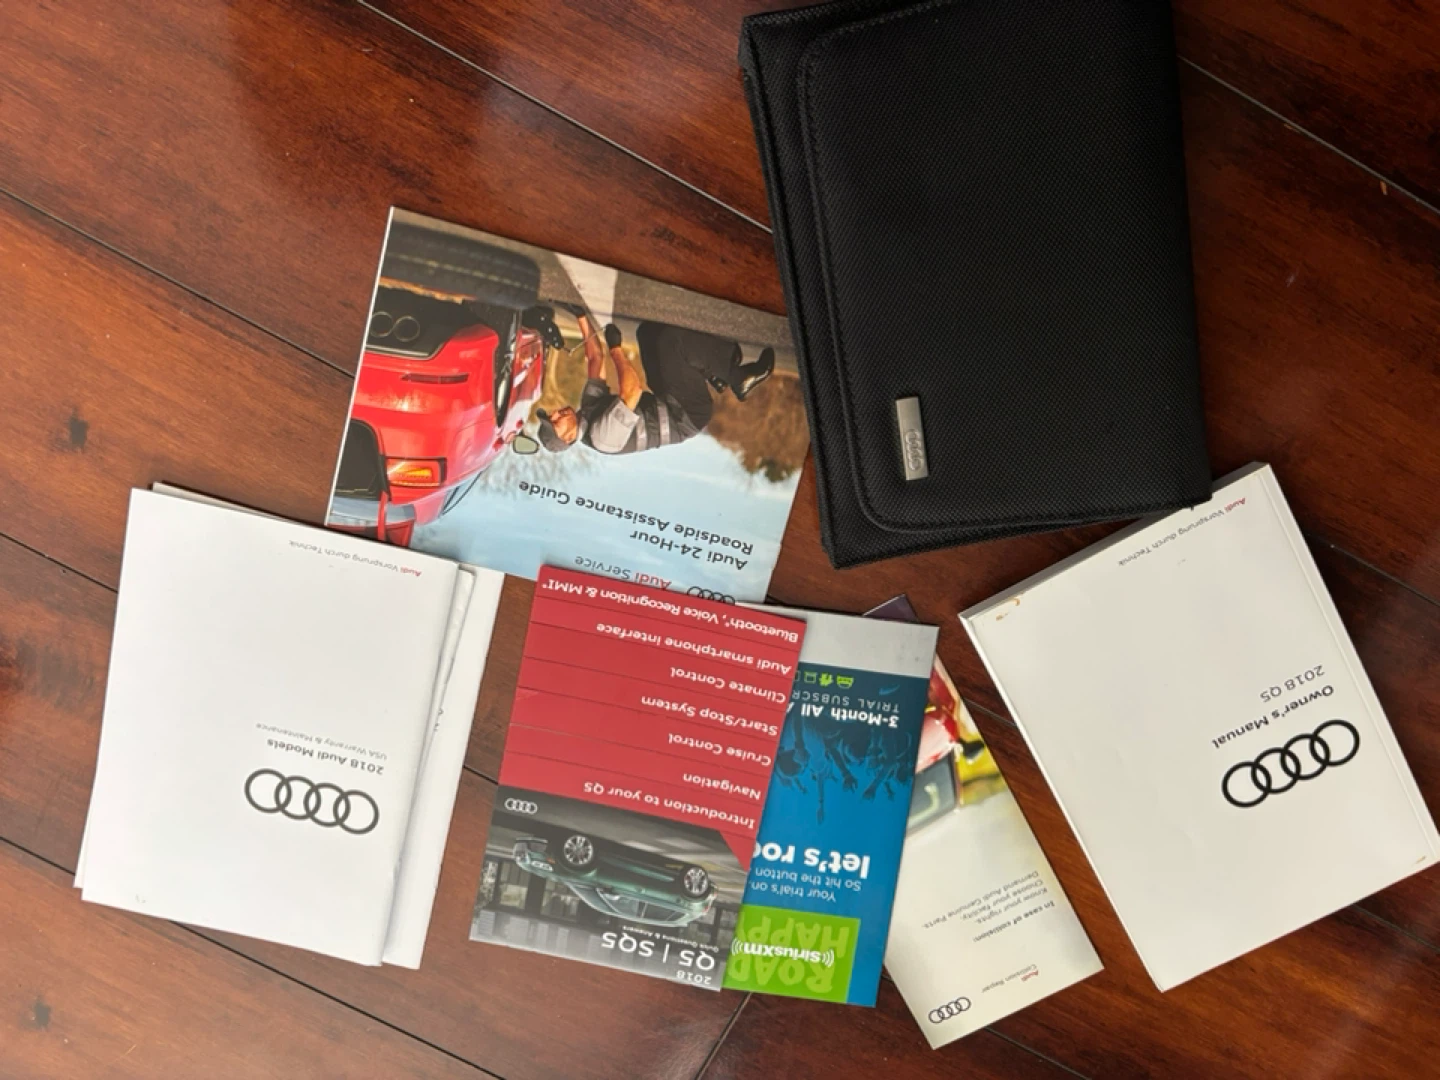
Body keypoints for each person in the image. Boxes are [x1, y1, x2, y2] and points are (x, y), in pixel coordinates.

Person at [535, 313, 774, 455]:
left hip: (666, 400)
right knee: (672, 342)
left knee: (649, 333)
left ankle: (713, 371)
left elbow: (595, 359)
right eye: (555, 422)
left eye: (550, 415)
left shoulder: (586, 412)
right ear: (568, 438)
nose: (555, 414)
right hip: (686, 414)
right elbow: (632, 391)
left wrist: (580, 317)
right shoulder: (602, 437)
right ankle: (737, 377)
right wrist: (616, 349)